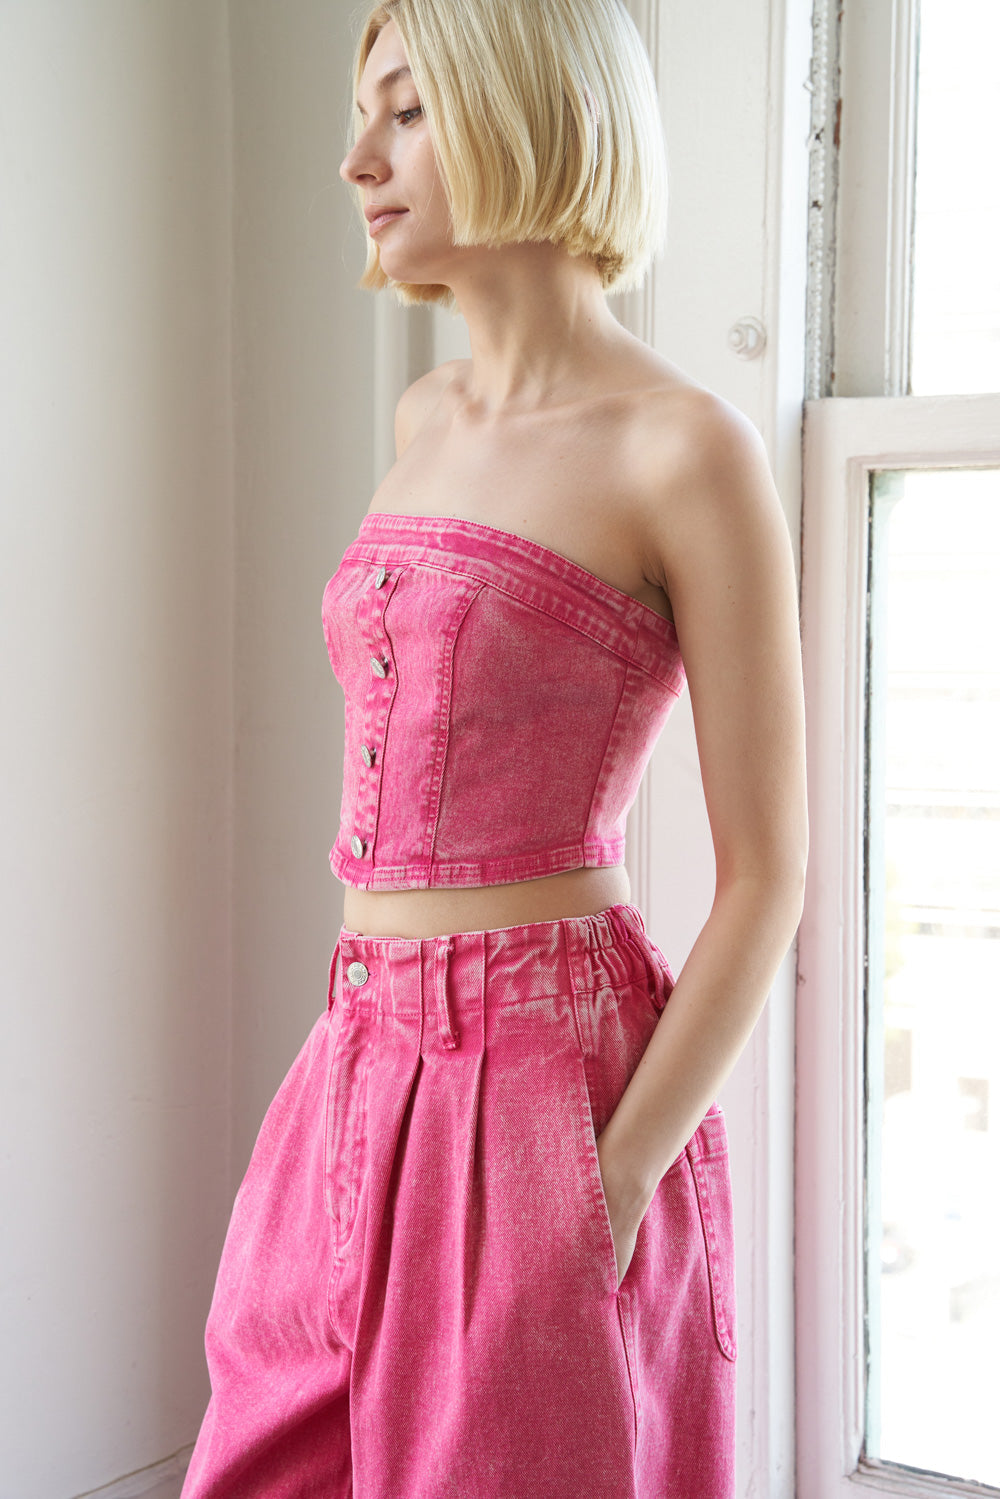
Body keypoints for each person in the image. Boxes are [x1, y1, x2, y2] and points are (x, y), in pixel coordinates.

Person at [181, 1, 807, 1495]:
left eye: (406, 112)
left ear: (530, 110)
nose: (357, 160)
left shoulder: (685, 448)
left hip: (547, 1090)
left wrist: (615, 1179)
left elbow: (769, 874)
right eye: (363, 116)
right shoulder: (425, 417)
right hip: (352, 1065)